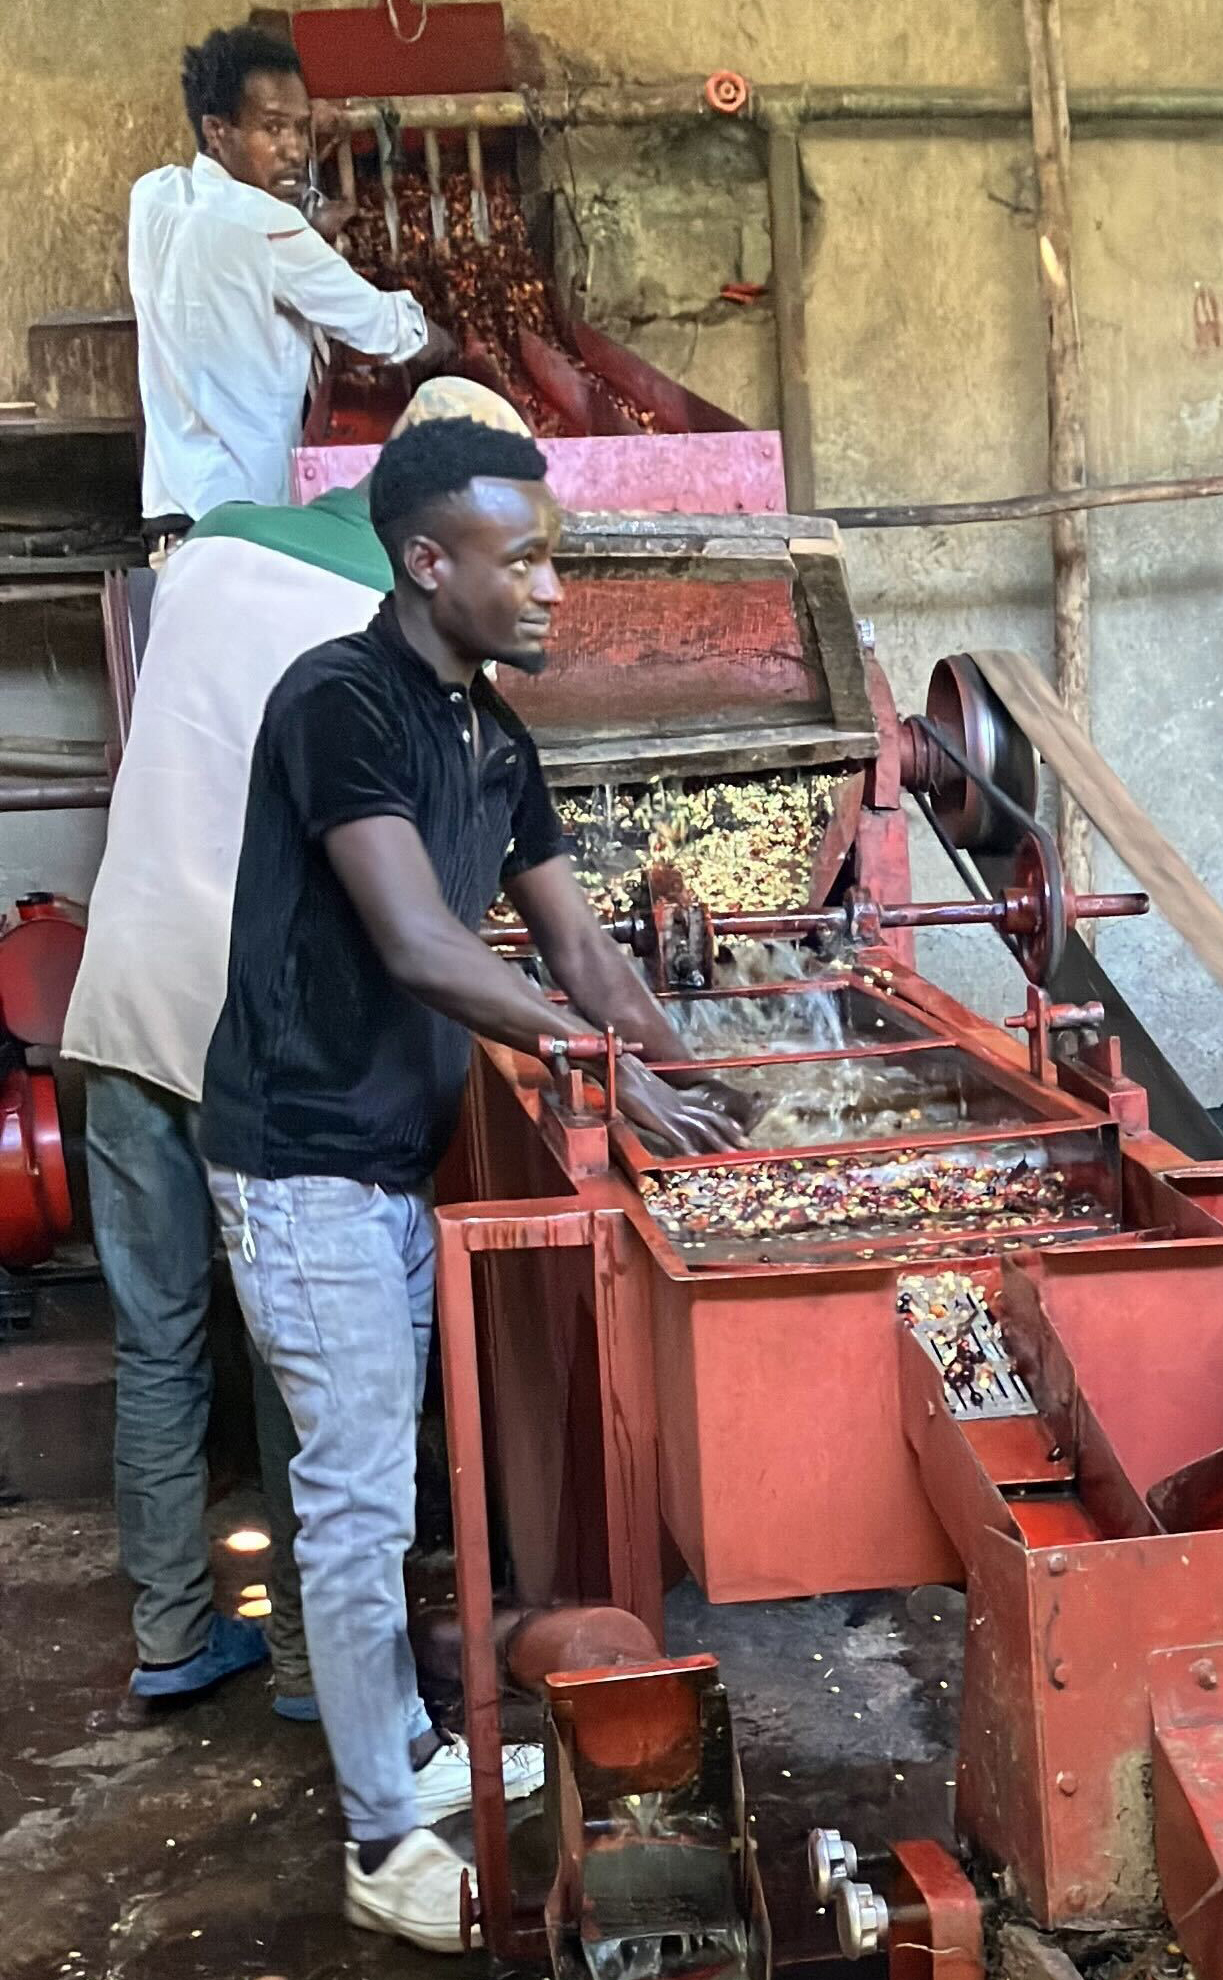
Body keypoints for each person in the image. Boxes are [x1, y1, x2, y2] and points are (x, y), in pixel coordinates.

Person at [198, 416, 749, 1951]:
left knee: (382, 1492)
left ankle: (415, 1756)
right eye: (529, 561)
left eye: (554, 555)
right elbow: (420, 946)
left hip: (388, 1161)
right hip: (299, 1158)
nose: (557, 589)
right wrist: (597, 1067)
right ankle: (382, 1838)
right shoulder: (342, 704)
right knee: (361, 1505)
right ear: (429, 563)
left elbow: (578, 949)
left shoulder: (489, 735)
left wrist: (702, 1073)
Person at [65, 379, 537, 1721]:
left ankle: (170, 1637)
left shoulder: (212, 548)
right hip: (262, 1046)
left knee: (159, 1347)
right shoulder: (399, 639)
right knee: (304, 1345)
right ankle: (316, 1672)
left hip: (122, 1002)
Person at [130, 24, 450, 536]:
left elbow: (233, 263)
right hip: (244, 519)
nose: (295, 149)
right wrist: (442, 341)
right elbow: (381, 327)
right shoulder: (268, 228)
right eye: (272, 128)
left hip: (170, 512)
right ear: (217, 131)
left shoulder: (153, 198)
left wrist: (308, 232)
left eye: (301, 128)